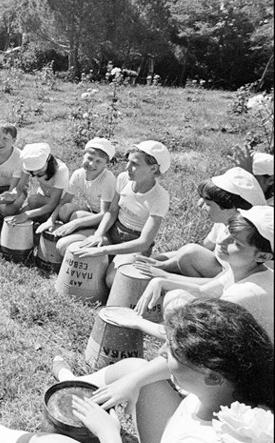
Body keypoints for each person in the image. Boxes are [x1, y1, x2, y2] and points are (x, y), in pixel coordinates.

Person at [0, 298, 274, 443]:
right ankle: (71, 386)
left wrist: (108, 434)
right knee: (137, 370)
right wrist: (132, 382)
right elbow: (158, 368)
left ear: (213, 374)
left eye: (172, 352)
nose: (161, 352)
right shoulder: (241, 388)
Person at [129, 206, 274, 342]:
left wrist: (137, 323)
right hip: (238, 344)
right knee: (176, 298)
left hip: (250, 362)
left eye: (236, 243)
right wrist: (160, 281)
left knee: (180, 313)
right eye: (227, 232)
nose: (222, 241)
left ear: (262, 257)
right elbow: (202, 291)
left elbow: (198, 338)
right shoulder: (242, 268)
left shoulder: (242, 294)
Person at [71, 141, 171, 288]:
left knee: (112, 280)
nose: (127, 167)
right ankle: (109, 262)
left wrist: (103, 249)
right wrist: (98, 234)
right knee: (69, 248)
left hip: (134, 243)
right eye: (128, 161)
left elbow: (144, 242)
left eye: (135, 164)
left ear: (153, 168)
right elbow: (112, 212)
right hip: (113, 232)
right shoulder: (123, 178)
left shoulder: (160, 197)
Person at [138, 167, 265, 279]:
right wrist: (159, 261)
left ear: (230, 208)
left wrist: (164, 274)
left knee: (190, 253)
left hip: (230, 282)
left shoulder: (247, 240)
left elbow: (224, 283)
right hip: (219, 274)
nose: (202, 206)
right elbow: (203, 249)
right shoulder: (223, 222)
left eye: (208, 204)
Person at [37, 137, 116, 256]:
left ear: (106, 164)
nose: (92, 164)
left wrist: (76, 223)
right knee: (65, 209)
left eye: (98, 161)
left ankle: (96, 234)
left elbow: (105, 213)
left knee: (76, 216)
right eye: (89, 158)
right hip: (90, 212)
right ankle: (82, 230)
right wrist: (50, 220)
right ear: (83, 155)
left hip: (107, 221)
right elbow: (64, 202)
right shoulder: (78, 174)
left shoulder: (107, 179)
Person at [4, 142, 70, 226]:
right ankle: (42, 217)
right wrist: (13, 194)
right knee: (19, 216)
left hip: (59, 203)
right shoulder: (28, 165)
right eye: (32, 170)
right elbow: (19, 188)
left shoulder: (61, 170)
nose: (35, 172)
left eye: (38, 169)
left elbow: (53, 203)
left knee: (33, 201)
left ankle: (49, 218)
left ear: (48, 158)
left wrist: (27, 214)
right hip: (42, 198)